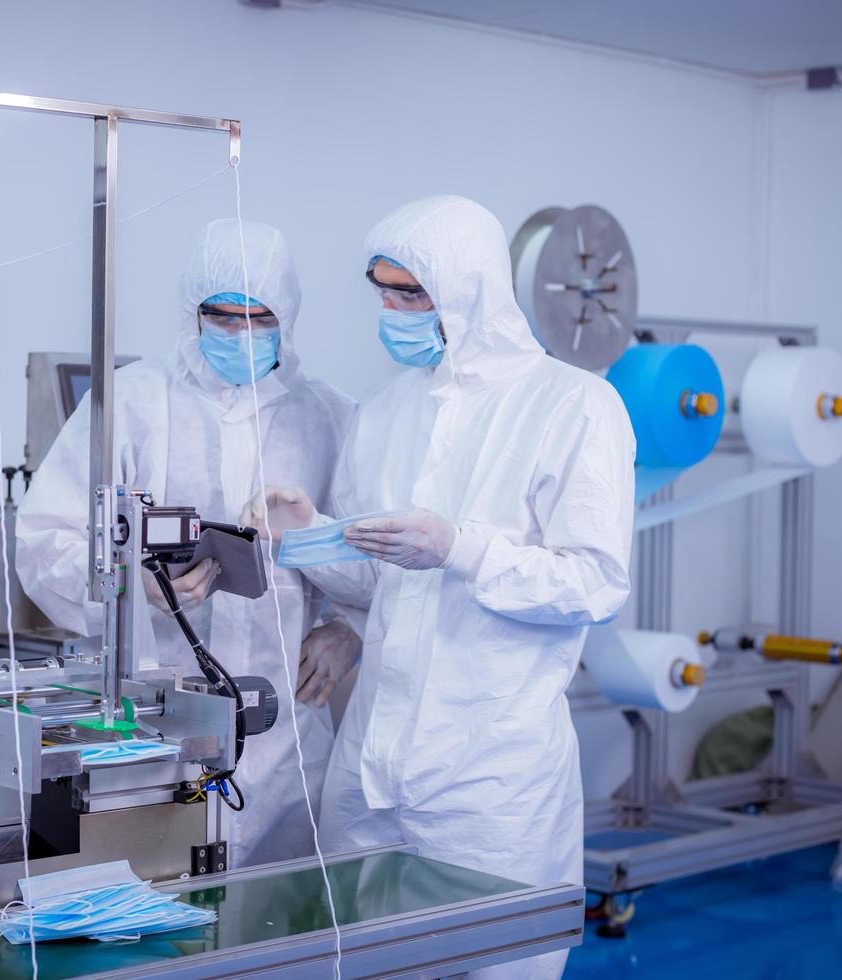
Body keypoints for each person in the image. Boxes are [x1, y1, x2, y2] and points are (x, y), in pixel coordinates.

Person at [244, 196, 634, 978]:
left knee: (495, 963)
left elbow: (594, 583)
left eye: (410, 294)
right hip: (371, 771)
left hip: (491, 783)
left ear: (472, 290)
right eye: (382, 292)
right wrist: (308, 533)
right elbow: (374, 582)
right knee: (362, 963)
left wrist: (464, 549)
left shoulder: (573, 405)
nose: (391, 312)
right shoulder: (388, 412)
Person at [16, 218, 359, 867]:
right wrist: (132, 584)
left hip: (289, 749)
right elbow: (42, 543)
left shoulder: (331, 419)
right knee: (161, 945)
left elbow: (369, 562)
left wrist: (347, 632)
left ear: (287, 315)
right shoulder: (129, 405)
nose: (238, 334)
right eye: (221, 317)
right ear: (191, 311)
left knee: (281, 939)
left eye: (257, 318)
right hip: (153, 739)